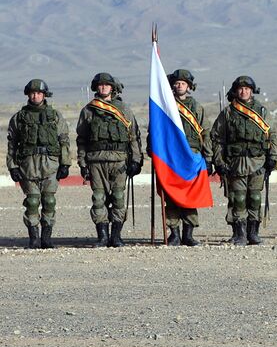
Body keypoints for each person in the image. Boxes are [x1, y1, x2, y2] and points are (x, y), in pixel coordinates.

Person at [210, 75, 277, 245]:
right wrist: (219, 162)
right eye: (240, 89)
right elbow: (217, 138)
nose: (244, 91)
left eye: (247, 89)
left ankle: (253, 233)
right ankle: (239, 234)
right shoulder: (227, 112)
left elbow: (272, 136)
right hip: (235, 163)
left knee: (255, 197)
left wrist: (274, 157)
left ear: (252, 91)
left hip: (258, 161)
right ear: (235, 91)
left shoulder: (262, 112)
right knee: (238, 198)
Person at [75, 72, 142, 247]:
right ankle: (102, 236)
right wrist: (82, 163)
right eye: (100, 84)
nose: (103, 87)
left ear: (113, 87)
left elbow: (134, 137)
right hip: (96, 161)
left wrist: (136, 160)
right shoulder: (88, 110)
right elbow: (81, 140)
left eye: (107, 84)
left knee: (118, 198)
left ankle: (116, 236)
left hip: (119, 161)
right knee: (98, 199)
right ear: (96, 87)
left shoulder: (124, 109)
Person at [6, 79, 70, 249]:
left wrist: (65, 163)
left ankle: (47, 238)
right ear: (28, 95)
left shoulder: (55, 116)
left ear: (44, 95)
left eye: (39, 93)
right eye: (32, 93)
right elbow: (12, 144)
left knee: (49, 200)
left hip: (51, 165)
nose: (35, 96)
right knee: (32, 201)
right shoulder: (19, 118)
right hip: (28, 165)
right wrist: (12, 166)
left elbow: (64, 140)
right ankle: (34, 239)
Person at [158, 69, 209, 245]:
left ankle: (189, 234)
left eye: (183, 83)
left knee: (190, 195)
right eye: (177, 83)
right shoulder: (164, 105)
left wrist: (208, 157)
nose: (179, 86)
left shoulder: (197, 107)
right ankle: (175, 234)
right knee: (172, 196)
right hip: (171, 157)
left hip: (192, 157)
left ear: (189, 86)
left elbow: (206, 132)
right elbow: (156, 130)